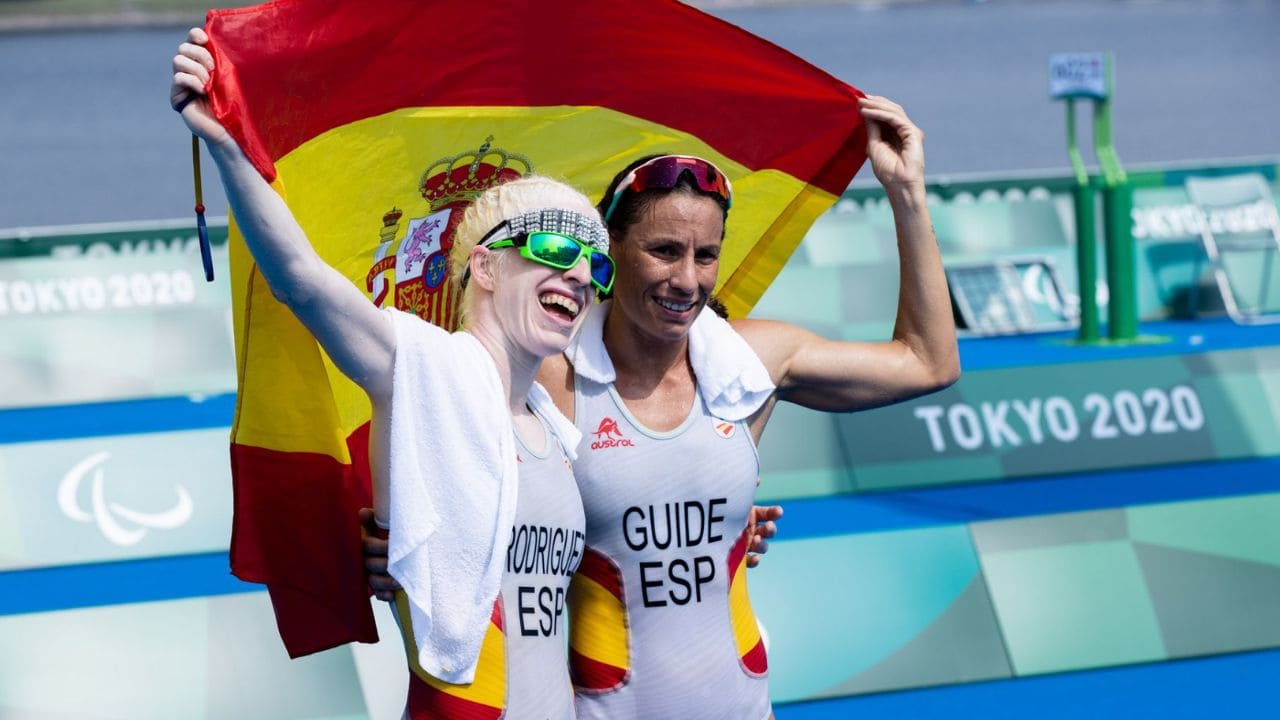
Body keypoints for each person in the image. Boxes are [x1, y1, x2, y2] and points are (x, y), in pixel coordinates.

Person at [370, 95, 958, 719]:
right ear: (610, 249)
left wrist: (906, 192)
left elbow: (929, 362)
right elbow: (437, 460)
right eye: (664, 251)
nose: (688, 280)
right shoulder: (549, 377)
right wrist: (398, 539)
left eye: (706, 255)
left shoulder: (748, 365)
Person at [171, 27, 612, 720]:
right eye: (557, 249)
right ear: (485, 266)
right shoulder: (422, 372)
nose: (581, 274)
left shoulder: (555, 427)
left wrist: (737, 512)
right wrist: (227, 143)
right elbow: (302, 281)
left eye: (596, 264)